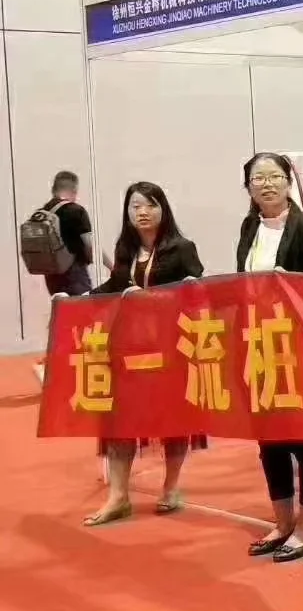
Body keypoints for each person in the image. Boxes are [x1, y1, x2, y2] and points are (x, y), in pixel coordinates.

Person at [85, 182, 205, 526]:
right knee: (119, 420)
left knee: (173, 420)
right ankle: (118, 497)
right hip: (130, 348)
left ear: (163, 209)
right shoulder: (126, 249)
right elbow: (114, 287)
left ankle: (171, 487)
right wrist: (76, 300)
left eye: (150, 205)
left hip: (171, 347)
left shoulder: (182, 248)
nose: (142, 212)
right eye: (135, 206)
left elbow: (197, 293)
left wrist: (153, 299)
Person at [236, 152, 303, 563]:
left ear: (288, 181)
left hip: (299, 347)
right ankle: (282, 522)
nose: (267, 184)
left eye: (274, 176)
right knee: (270, 439)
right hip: (260, 345)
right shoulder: (249, 227)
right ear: (248, 187)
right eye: (258, 178)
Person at [31, 170, 110, 296]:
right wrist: (111, 266)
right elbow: (91, 245)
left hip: (51, 277)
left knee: (62, 306)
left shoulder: (41, 214)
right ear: (74, 190)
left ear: (53, 189)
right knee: (82, 306)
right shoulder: (76, 211)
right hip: (75, 275)